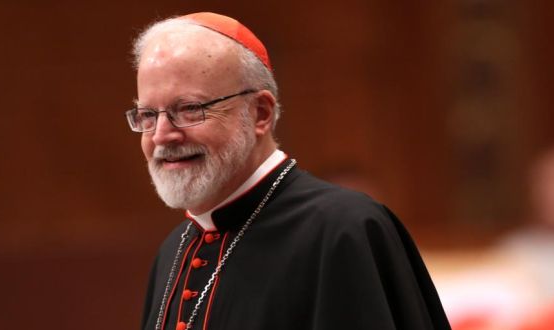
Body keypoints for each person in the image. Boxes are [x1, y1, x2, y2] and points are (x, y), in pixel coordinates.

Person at [126, 12, 450, 330]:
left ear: (260, 113)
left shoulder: (344, 230)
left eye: (189, 109)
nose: (161, 135)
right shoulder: (175, 250)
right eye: (148, 115)